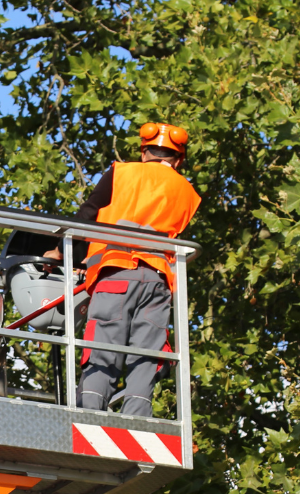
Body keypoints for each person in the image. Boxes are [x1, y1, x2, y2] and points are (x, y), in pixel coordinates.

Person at [52, 122, 201, 417]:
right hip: (158, 282)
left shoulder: (122, 172)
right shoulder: (188, 192)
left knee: (104, 344)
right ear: (179, 159)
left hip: (117, 274)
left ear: (143, 152)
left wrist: (61, 253)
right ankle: (137, 417)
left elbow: (87, 218)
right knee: (147, 352)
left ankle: (89, 415)